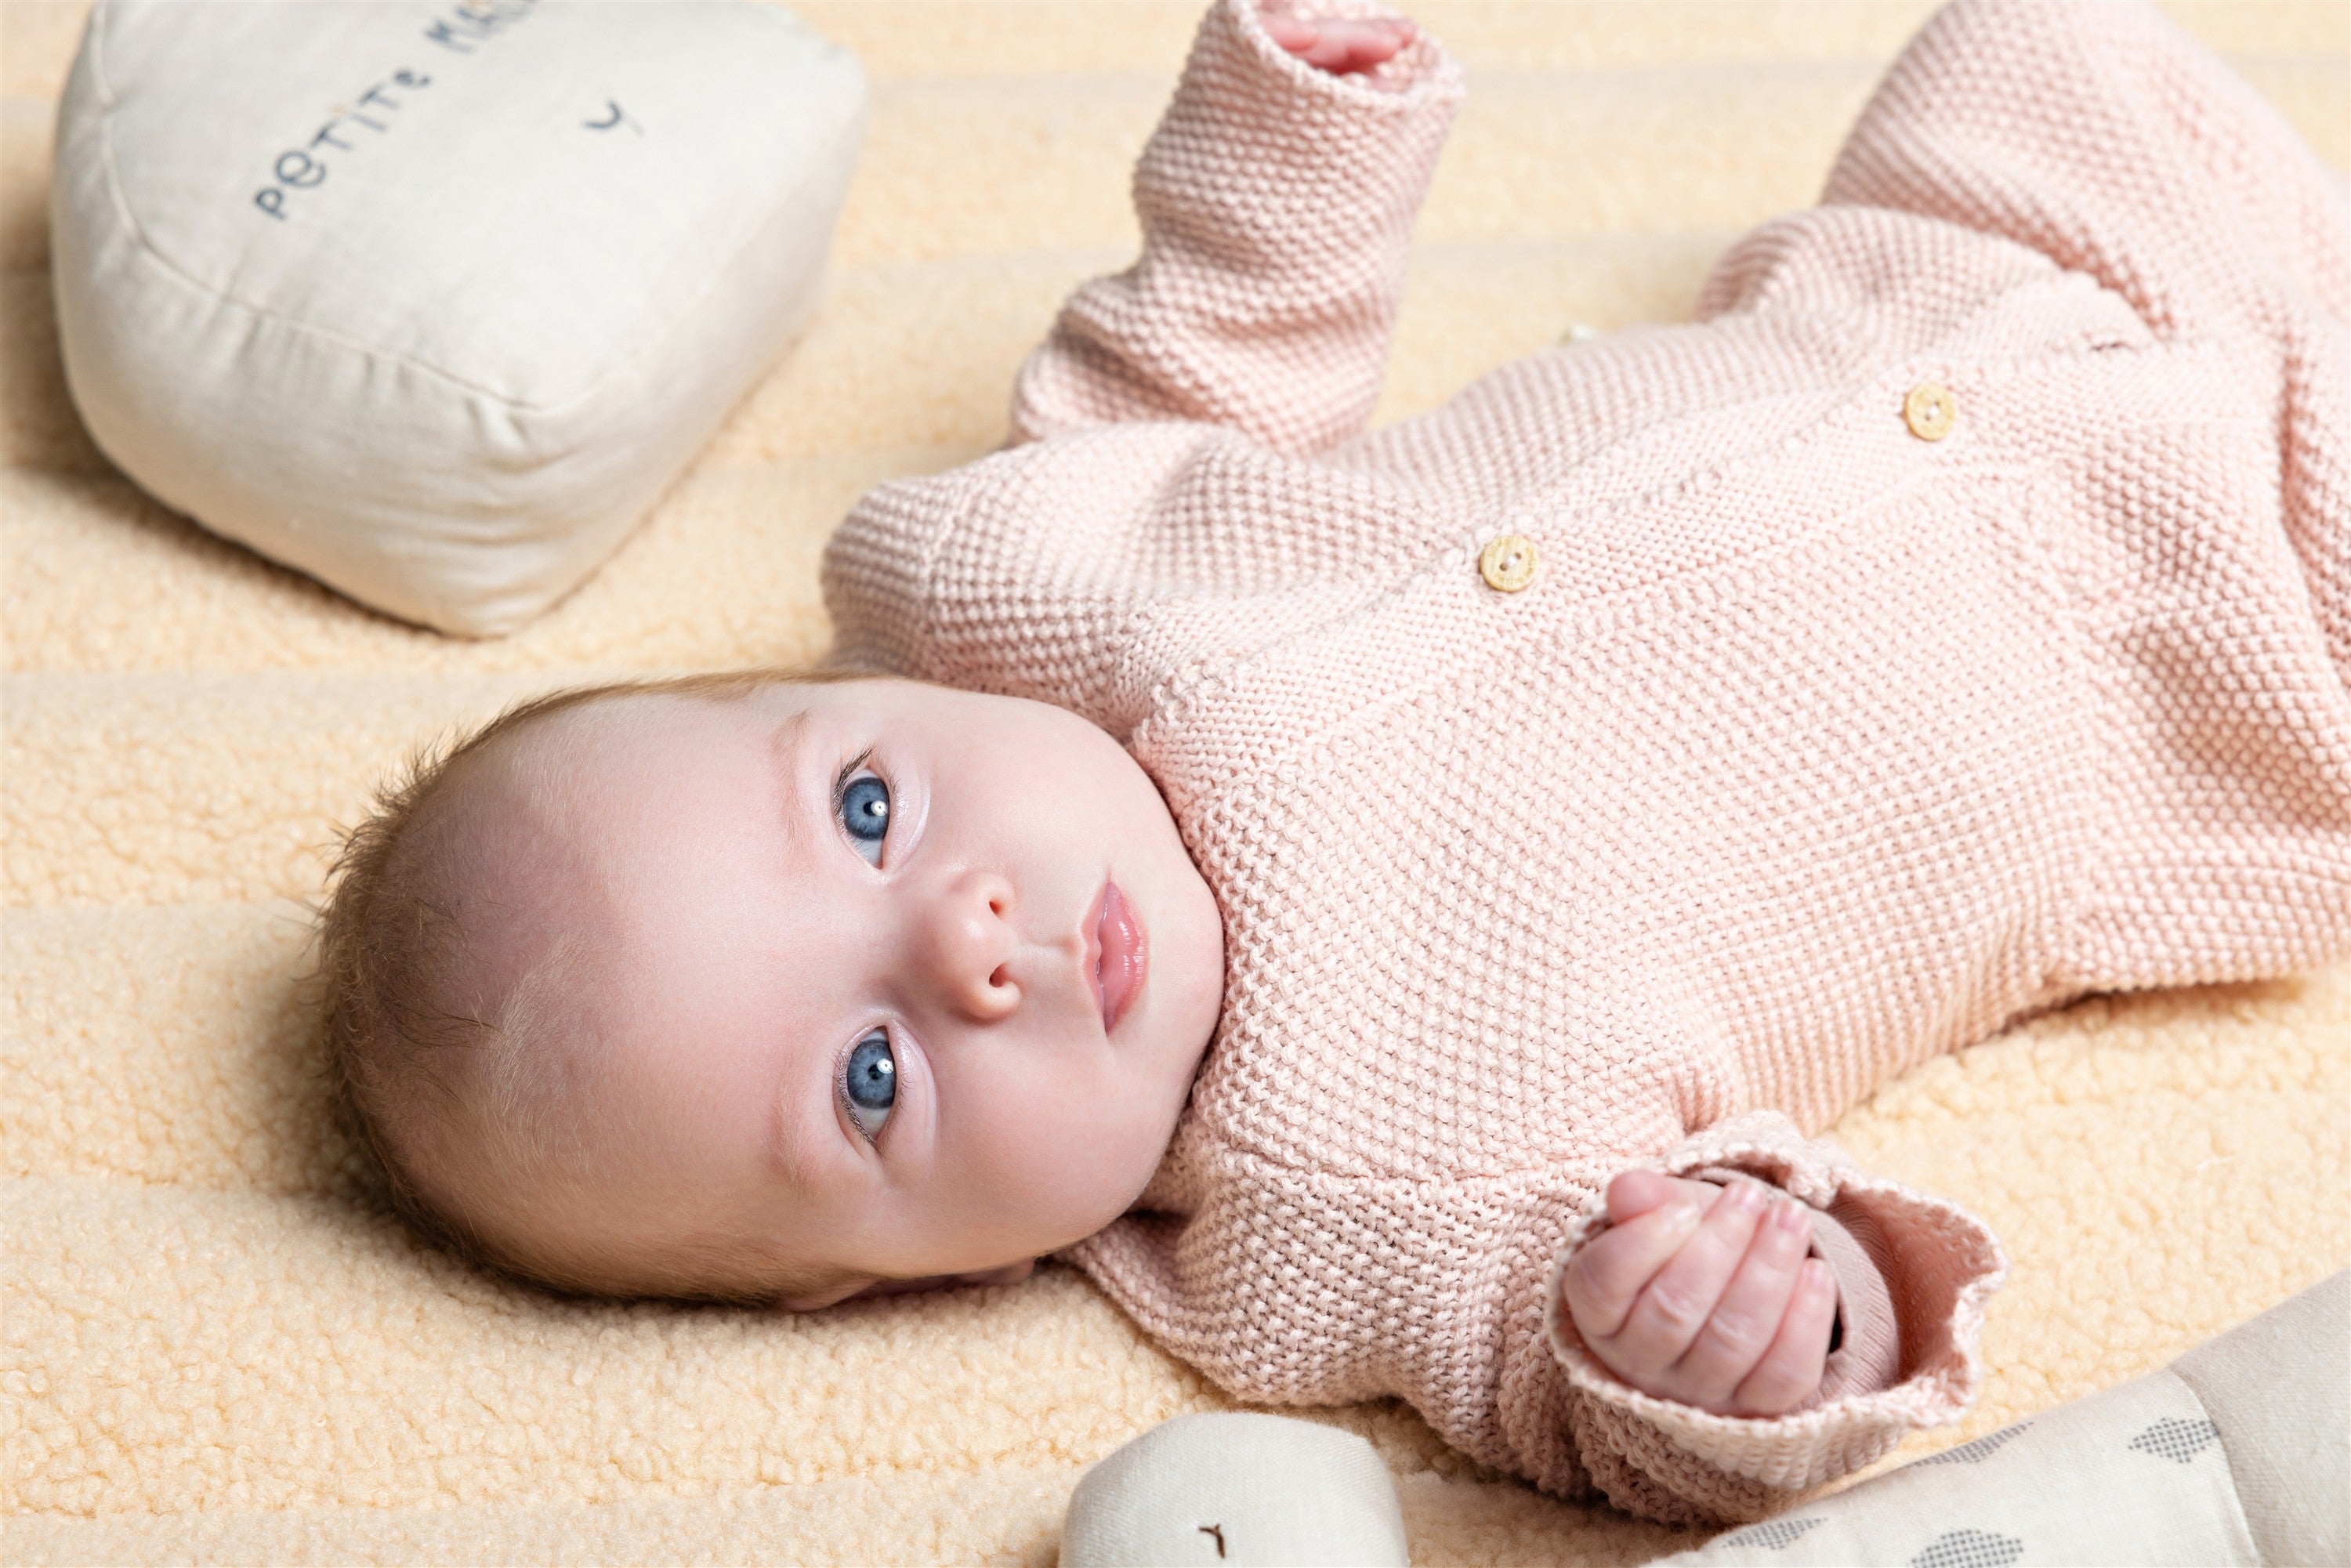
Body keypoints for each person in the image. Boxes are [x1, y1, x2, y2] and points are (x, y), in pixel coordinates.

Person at [313, 0, 2350, 1525]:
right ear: (871, 1285)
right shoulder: (1324, 1217)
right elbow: (1587, 1401)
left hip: (1975, 275)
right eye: (874, 1081)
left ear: (834, 688)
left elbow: (1211, 345)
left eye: (864, 811)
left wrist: (1295, 109)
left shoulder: (1016, 581)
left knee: (2025, 45)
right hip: (2221, 666)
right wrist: (1742, 1322)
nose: (973, 938)